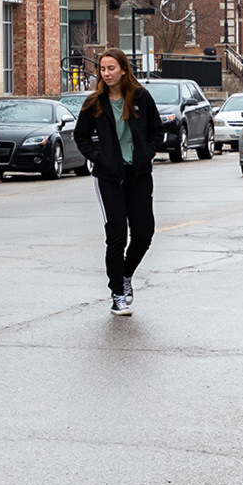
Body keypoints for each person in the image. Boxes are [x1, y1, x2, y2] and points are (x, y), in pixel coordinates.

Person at [72, 47, 165, 316]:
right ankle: (117, 294)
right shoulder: (94, 102)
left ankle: (125, 275)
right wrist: (98, 157)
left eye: (111, 68)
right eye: (103, 69)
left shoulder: (140, 98)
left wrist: (146, 152)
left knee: (144, 232)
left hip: (138, 175)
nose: (107, 73)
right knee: (116, 236)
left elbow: (156, 131)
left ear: (123, 69)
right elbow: (81, 136)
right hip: (109, 178)